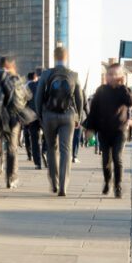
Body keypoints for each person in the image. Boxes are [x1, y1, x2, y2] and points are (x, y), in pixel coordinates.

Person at [35, 46, 85, 197]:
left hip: (49, 115)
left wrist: (40, 116)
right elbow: (79, 99)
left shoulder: (46, 74)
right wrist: (78, 117)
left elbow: (38, 97)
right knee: (66, 150)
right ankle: (64, 185)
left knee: (51, 148)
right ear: (66, 57)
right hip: (68, 116)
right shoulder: (73, 75)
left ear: (53, 57)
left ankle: (54, 182)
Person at [84, 63, 132, 198]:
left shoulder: (124, 90)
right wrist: (90, 128)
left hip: (120, 130)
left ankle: (117, 186)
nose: (111, 77)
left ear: (120, 76)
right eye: (109, 74)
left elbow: (130, 102)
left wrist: (123, 86)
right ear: (106, 76)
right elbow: (93, 111)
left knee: (117, 158)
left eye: (115, 74)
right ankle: (107, 181)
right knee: (106, 160)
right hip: (104, 131)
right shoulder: (101, 90)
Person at [0, 56, 27, 192]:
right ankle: (11, 179)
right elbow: (25, 97)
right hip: (12, 118)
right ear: (11, 65)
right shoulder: (15, 79)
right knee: (12, 149)